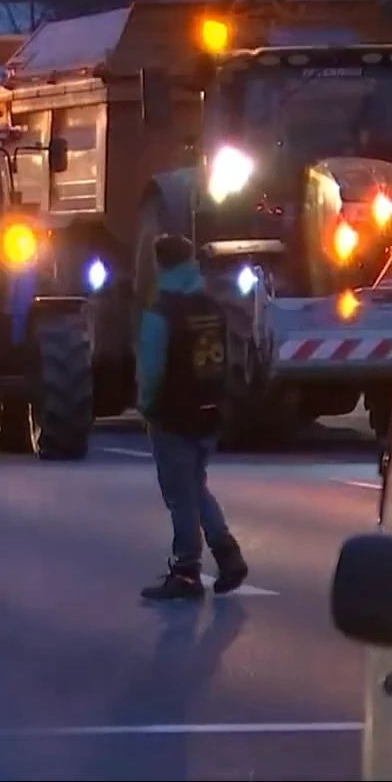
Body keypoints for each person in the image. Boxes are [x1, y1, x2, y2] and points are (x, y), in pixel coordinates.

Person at [135, 233, 250, 602]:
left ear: (160, 265)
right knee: (196, 487)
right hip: (208, 411)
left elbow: (151, 370)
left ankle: (187, 570)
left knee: (181, 496)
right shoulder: (211, 307)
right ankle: (227, 556)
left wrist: (145, 404)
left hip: (172, 415)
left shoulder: (161, 312)